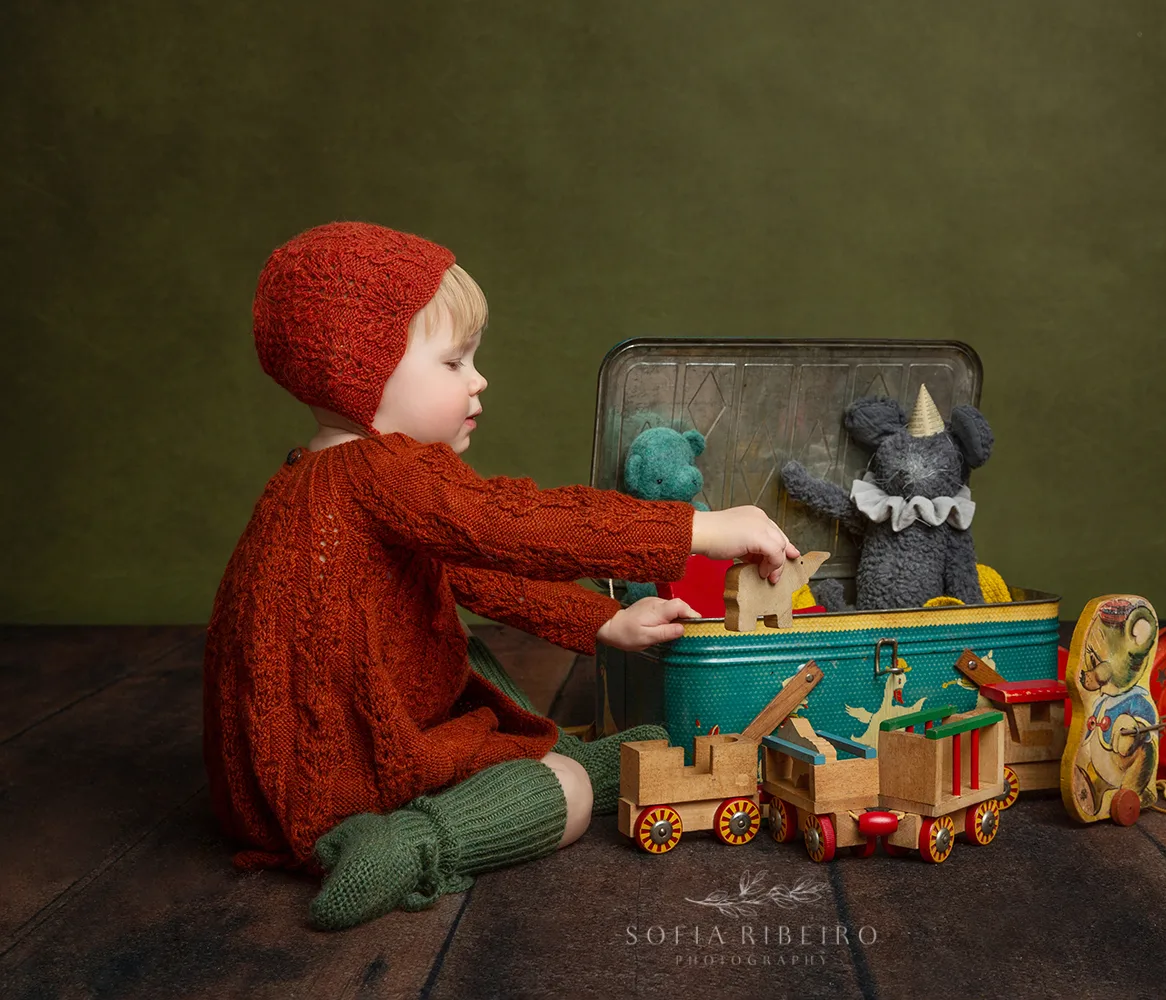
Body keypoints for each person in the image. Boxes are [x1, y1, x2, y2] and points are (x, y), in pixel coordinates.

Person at [203, 221, 799, 931]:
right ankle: (418, 843)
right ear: (357, 369)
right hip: (351, 784)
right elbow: (510, 525)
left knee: (467, 660)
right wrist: (697, 530)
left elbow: (467, 569)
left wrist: (601, 620)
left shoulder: (311, 481)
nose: (479, 379)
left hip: (272, 790)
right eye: (454, 363)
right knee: (567, 790)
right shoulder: (378, 470)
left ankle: (524, 772)